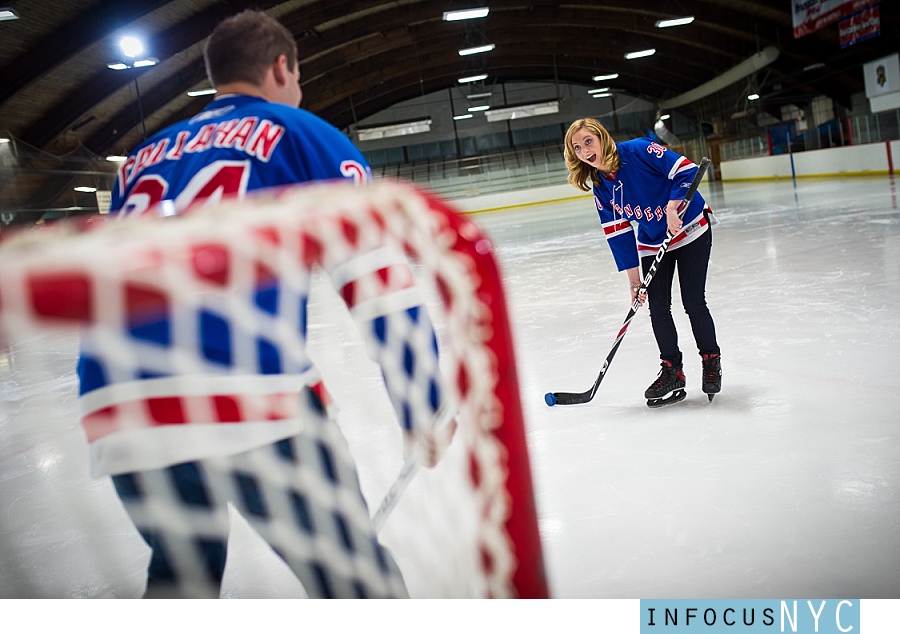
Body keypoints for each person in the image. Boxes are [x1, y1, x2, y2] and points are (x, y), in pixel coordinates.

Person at [78, 10, 453, 598]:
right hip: (243, 386)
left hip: (118, 398)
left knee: (183, 576)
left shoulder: (142, 159)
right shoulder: (303, 134)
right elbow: (377, 281)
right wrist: (424, 402)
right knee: (353, 580)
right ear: (282, 68)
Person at [563, 117, 722, 407]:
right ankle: (672, 371)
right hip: (652, 240)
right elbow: (618, 233)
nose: (585, 150)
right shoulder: (601, 186)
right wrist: (634, 281)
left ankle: (711, 361)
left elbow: (685, 170)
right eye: (577, 147)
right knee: (658, 308)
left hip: (690, 229)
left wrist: (674, 205)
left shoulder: (638, 150)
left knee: (693, 301)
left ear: (601, 138)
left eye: (588, 141)